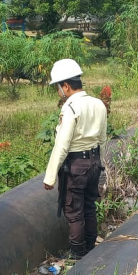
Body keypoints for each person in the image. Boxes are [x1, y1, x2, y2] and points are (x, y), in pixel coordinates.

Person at [43, 59, 108, 258]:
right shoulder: (98, 104)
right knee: (89, 207)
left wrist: (50, 176)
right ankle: (90, 250)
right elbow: (103, 139)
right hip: (94, 162)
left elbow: (62, 145)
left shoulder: (70, 109)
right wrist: (100, 164)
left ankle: (78, 256)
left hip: (76, 166)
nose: (58, 92)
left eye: (58, 88)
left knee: (74, 212)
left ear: (66, 86)